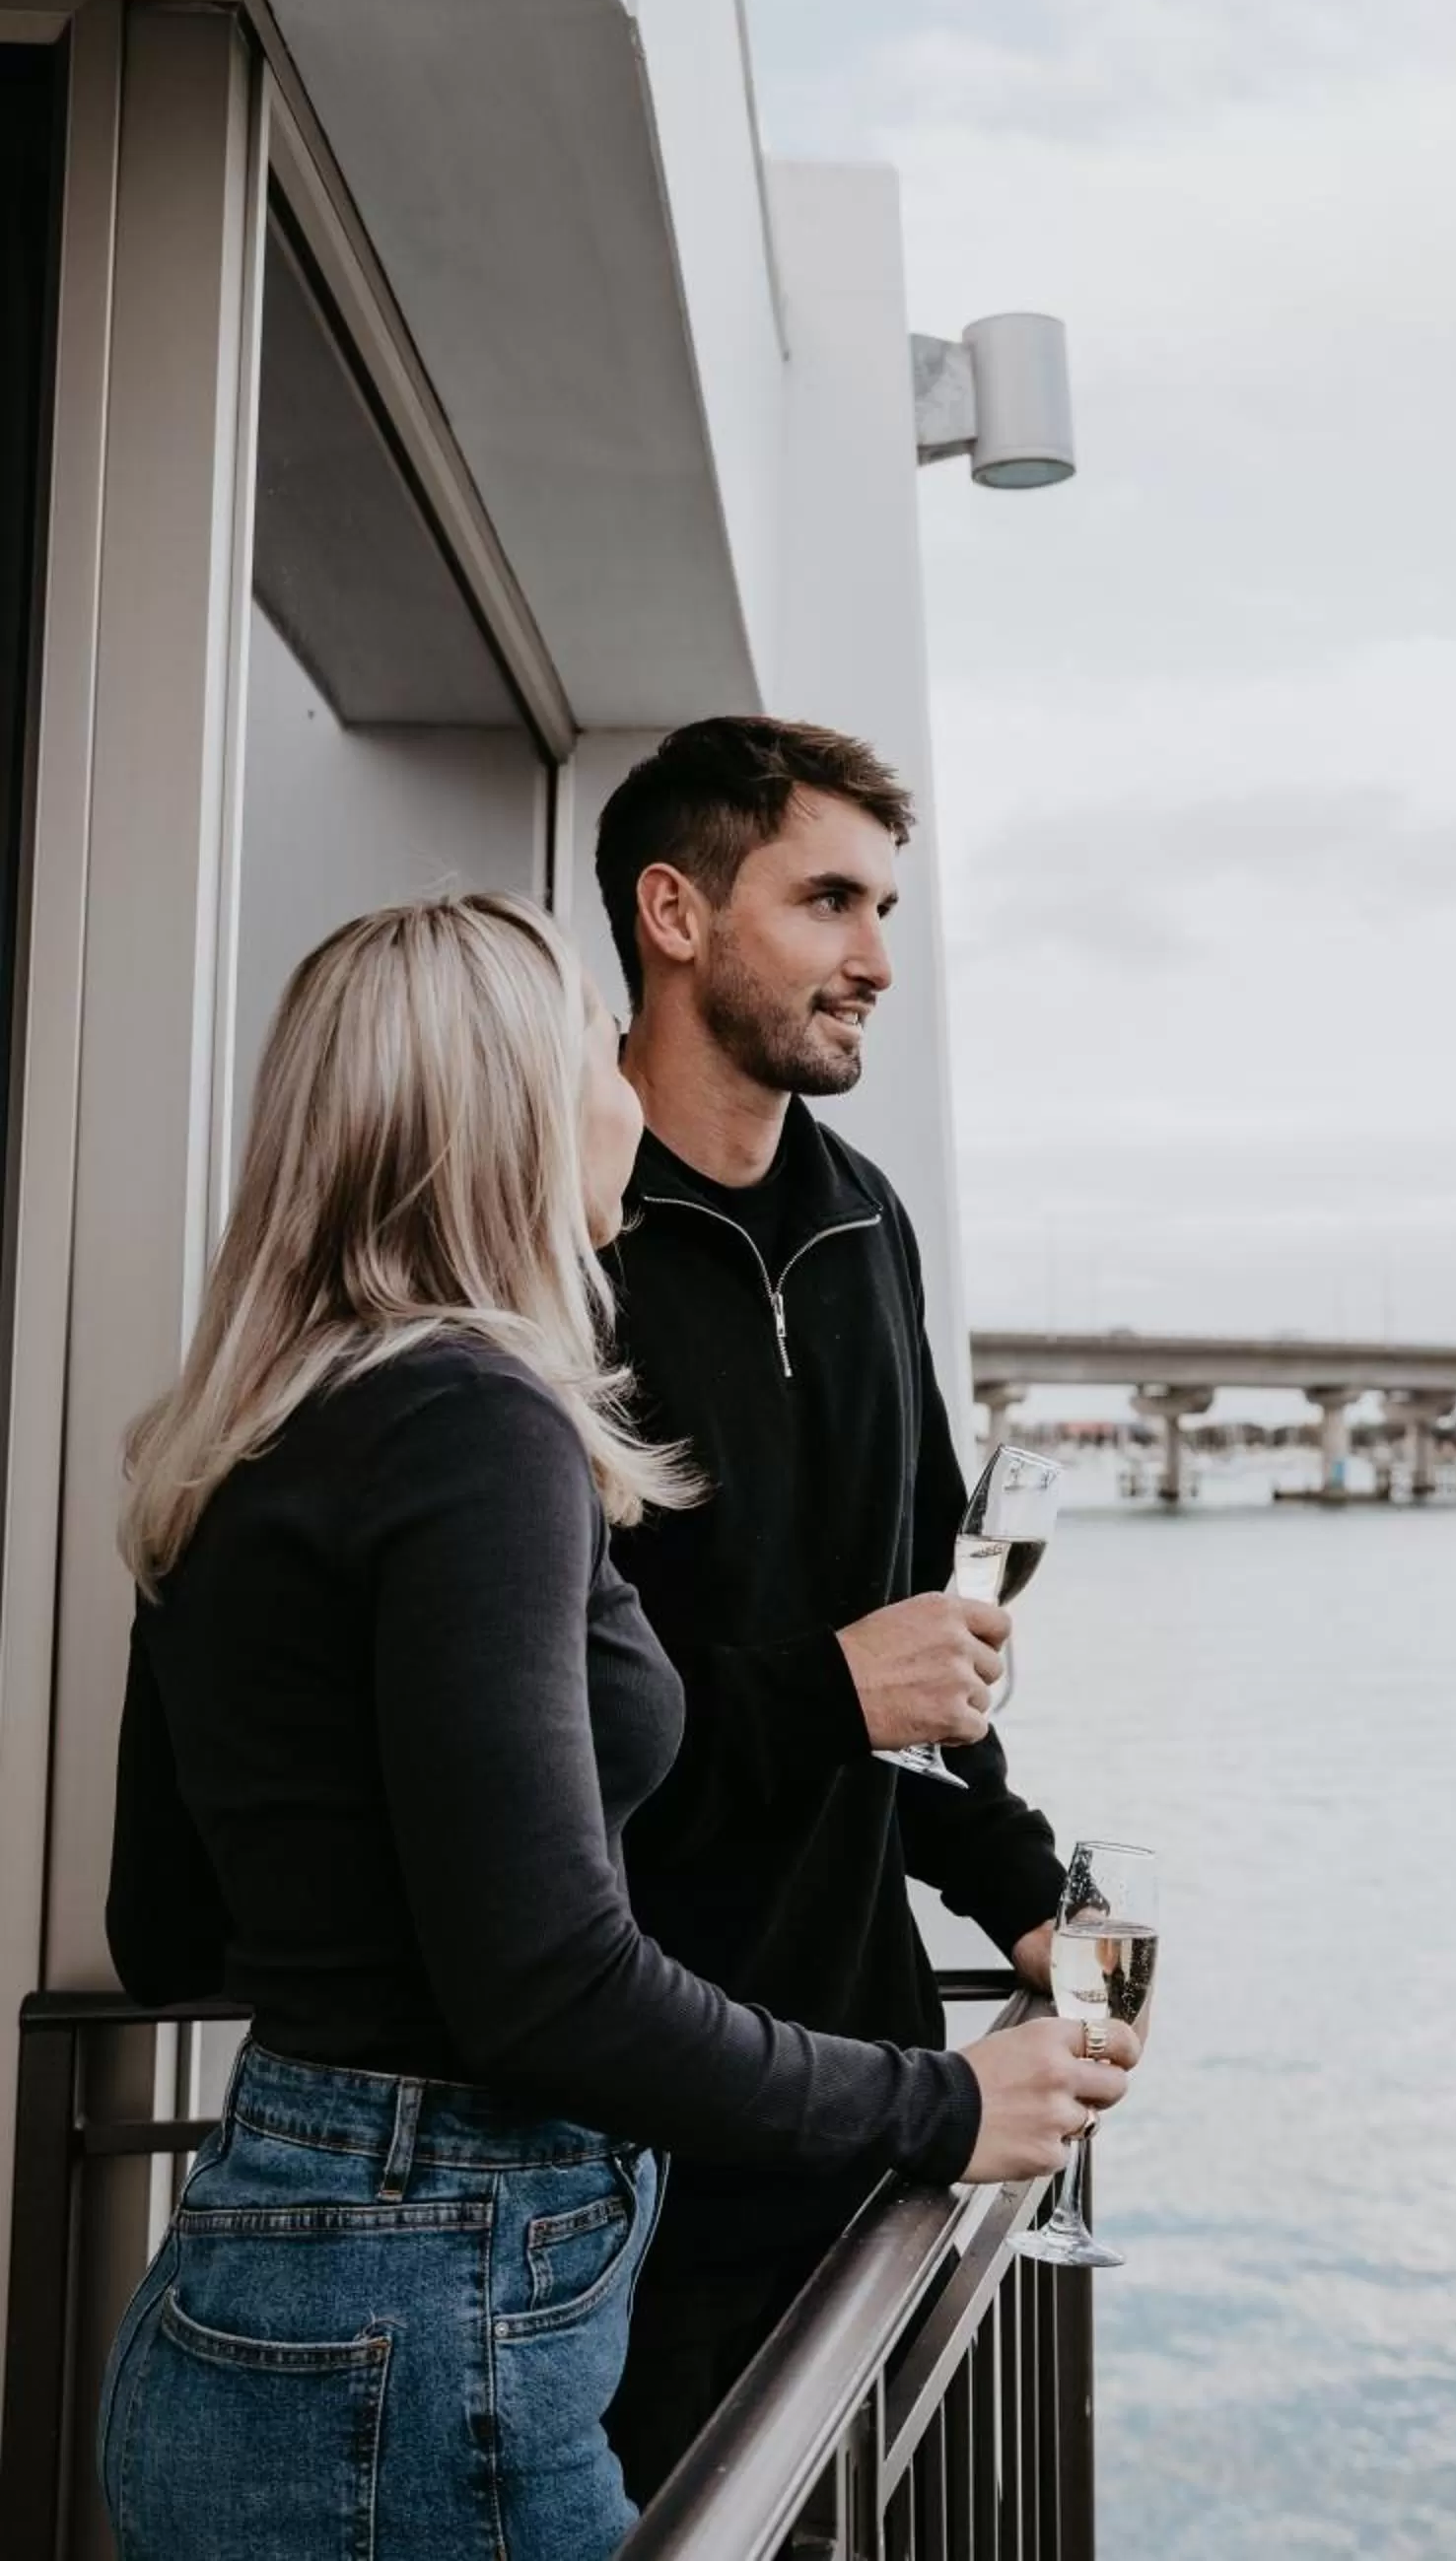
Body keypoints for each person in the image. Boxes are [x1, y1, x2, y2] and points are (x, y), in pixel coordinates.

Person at [97, 893, 1133, 2561]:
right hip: (430, 2341)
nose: (625, 1095)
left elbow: (161, 1934)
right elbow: (550, 1980)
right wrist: (942, 2105)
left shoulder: (248, 1429)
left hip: (261, 2285)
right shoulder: (470, 1420)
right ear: (505, 1103)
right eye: (594, 1047)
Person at [594, 720, 1075, 2497]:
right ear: (674, 911)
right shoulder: (547, 1232)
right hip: (607, 2116)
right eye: (825, 901)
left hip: (853, 2086)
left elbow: (924, 1618)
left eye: (884, 904)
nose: (877, 956)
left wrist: (1021, 1884)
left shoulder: (865, 1221)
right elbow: (537, 1726)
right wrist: (825, 1693)